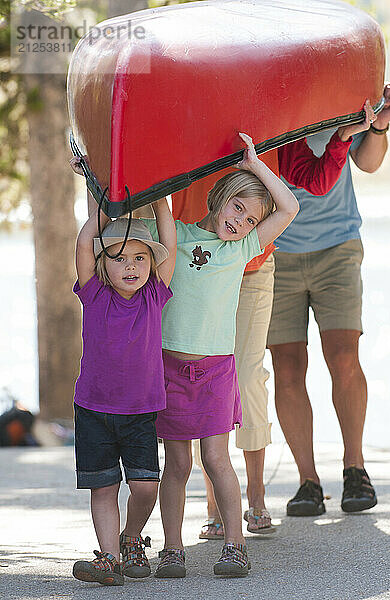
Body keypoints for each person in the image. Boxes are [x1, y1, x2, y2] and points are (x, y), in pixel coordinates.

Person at [171, 101, 376, 537]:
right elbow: (148, 177)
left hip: (253, 264)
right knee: (205, 374)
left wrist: (338, 137)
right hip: (195, 259)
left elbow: (314, 181)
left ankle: (258, 497)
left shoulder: (278, 120)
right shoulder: (187, 111)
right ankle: (215, 504)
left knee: (246, 375)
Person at [141, 132, 299, 578]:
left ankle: (235, 545)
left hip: (214, 371)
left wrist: (254, 165)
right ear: (218, 198)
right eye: (237, 208)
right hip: (170, 369)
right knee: (176, 463)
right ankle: (172, 548)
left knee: (215, 459)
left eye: (250, 220)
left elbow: (289, 208)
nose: (241, 222)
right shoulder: (174, 235)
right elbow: (133, 215)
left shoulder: (242, 250)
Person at [267, 83, 390, 516]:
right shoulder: (267, 95)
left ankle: (354, 469)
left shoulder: (335, 87)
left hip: (337, 246)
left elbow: (368, 162)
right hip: (276, 251)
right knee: (288, 365)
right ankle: (307, 481)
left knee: (343, 355)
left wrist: (377, 129)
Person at [69, 156, 177, 586]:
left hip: (140, 411)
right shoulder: (94, 295)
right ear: (102, 266)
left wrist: (162, 194)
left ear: (151, 263)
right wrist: (101, 193)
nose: (130, 266)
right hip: (93, 410)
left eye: (138, 257)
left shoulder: (155, 295)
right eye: (117, 258)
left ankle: (132, 537)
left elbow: (168, 238)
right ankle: (110, 558)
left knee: (146, 487)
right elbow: (84, 243)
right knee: (103, 488)